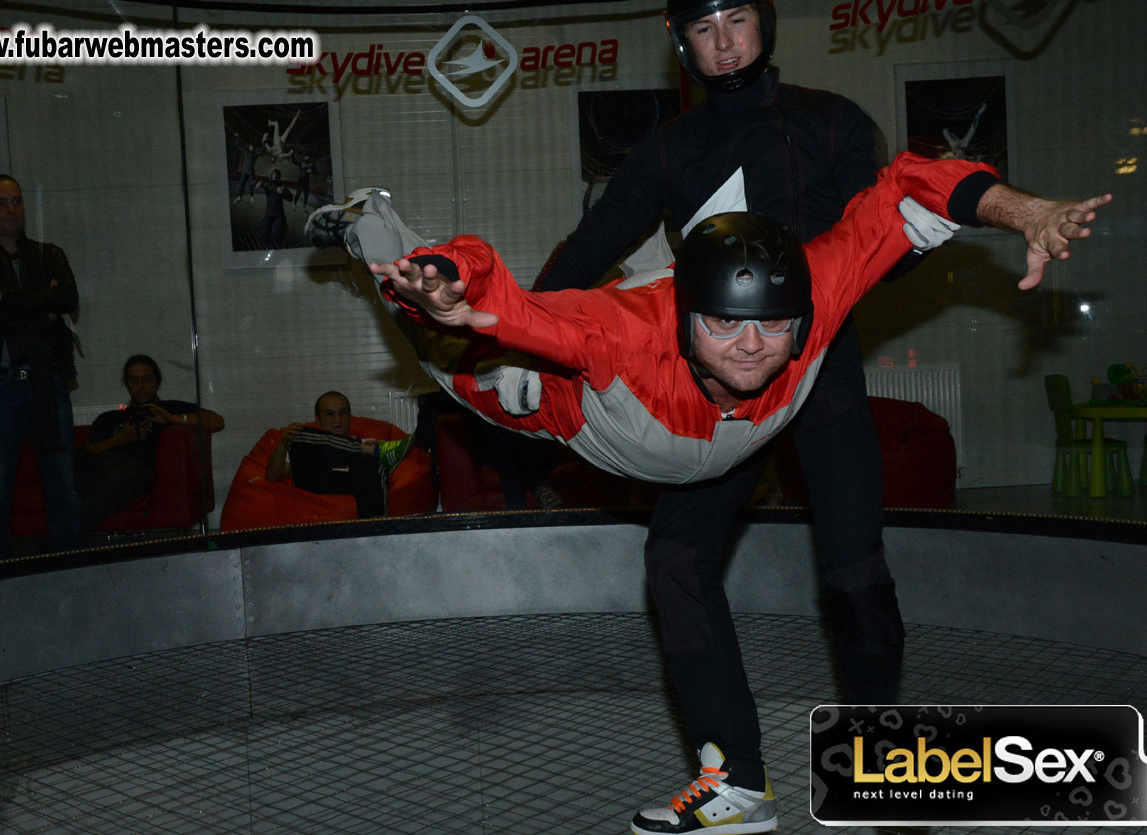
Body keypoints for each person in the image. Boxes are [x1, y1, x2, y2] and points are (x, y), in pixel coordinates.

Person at [328, 155, 1107, 832]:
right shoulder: (618, 330)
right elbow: (509, 295)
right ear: (684, 323)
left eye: (774, 328)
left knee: (676, 558)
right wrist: (448, 281)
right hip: (586, 407)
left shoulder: (816, 291)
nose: (750, 348)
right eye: (725, 327)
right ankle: (372, 225)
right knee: (449, 343)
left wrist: (1026, 210)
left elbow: (908, 187)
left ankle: (737, 785)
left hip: (731, 441)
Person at [533, 0, 920, 806]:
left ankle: (884, 765)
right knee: (675, 559)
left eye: (735, 21)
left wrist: (913, 224)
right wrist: (518, 333)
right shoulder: (669, 150)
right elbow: (588, 249)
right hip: (715, 387)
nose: (723, 43)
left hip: (820, 374)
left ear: (764, 25)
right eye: (703, 29)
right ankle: (737, 782)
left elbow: (884, 245)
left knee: (853, 570)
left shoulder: (831, 122)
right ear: (681, 42)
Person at [0, 174, 81, 562]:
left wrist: (3, 299)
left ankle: (70, 568)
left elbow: (68, 298)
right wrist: (41, 304)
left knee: (64, 486)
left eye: (17, 201)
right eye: (2, 203)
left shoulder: (47, 254)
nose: (11, 210)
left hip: (48, 384)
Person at [75, 355, 225, 535]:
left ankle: (68, 538)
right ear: (127, 384)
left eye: (146, 379)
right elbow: (89, 452)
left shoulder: (168, 409)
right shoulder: (109, 418)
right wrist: (121, 439)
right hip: (102, 465)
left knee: (119, 476)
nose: (140, 386)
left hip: (137, 471)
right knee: (76, 466)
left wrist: (175, 419)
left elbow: (217, 421)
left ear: (157, 381)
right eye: (134, 380)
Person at [265, 391, 413, 519]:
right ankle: (378, 452)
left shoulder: (365, 442)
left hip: (350, 483)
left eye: (342, 413)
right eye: (329, 414)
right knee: (300, 437)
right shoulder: (305, 443)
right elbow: (272, 476)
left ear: (350, 415)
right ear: (318, 419)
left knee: (369, 462)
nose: (337, 420)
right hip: (314, 482)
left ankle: (375, 530)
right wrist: (284, 443)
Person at [258, 169, 293, 249]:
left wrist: (283, 192)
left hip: (279, 214)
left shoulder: (282, 186)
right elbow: (257, 184)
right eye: (273, 175)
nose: (275, 176)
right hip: (269, 213)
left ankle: (280, 244)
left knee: (279, 236)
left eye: (277, 175)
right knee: (263, 235)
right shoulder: (267, 184)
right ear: (271, 175)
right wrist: (257, 185)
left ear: (279, 177)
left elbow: (290, 198)